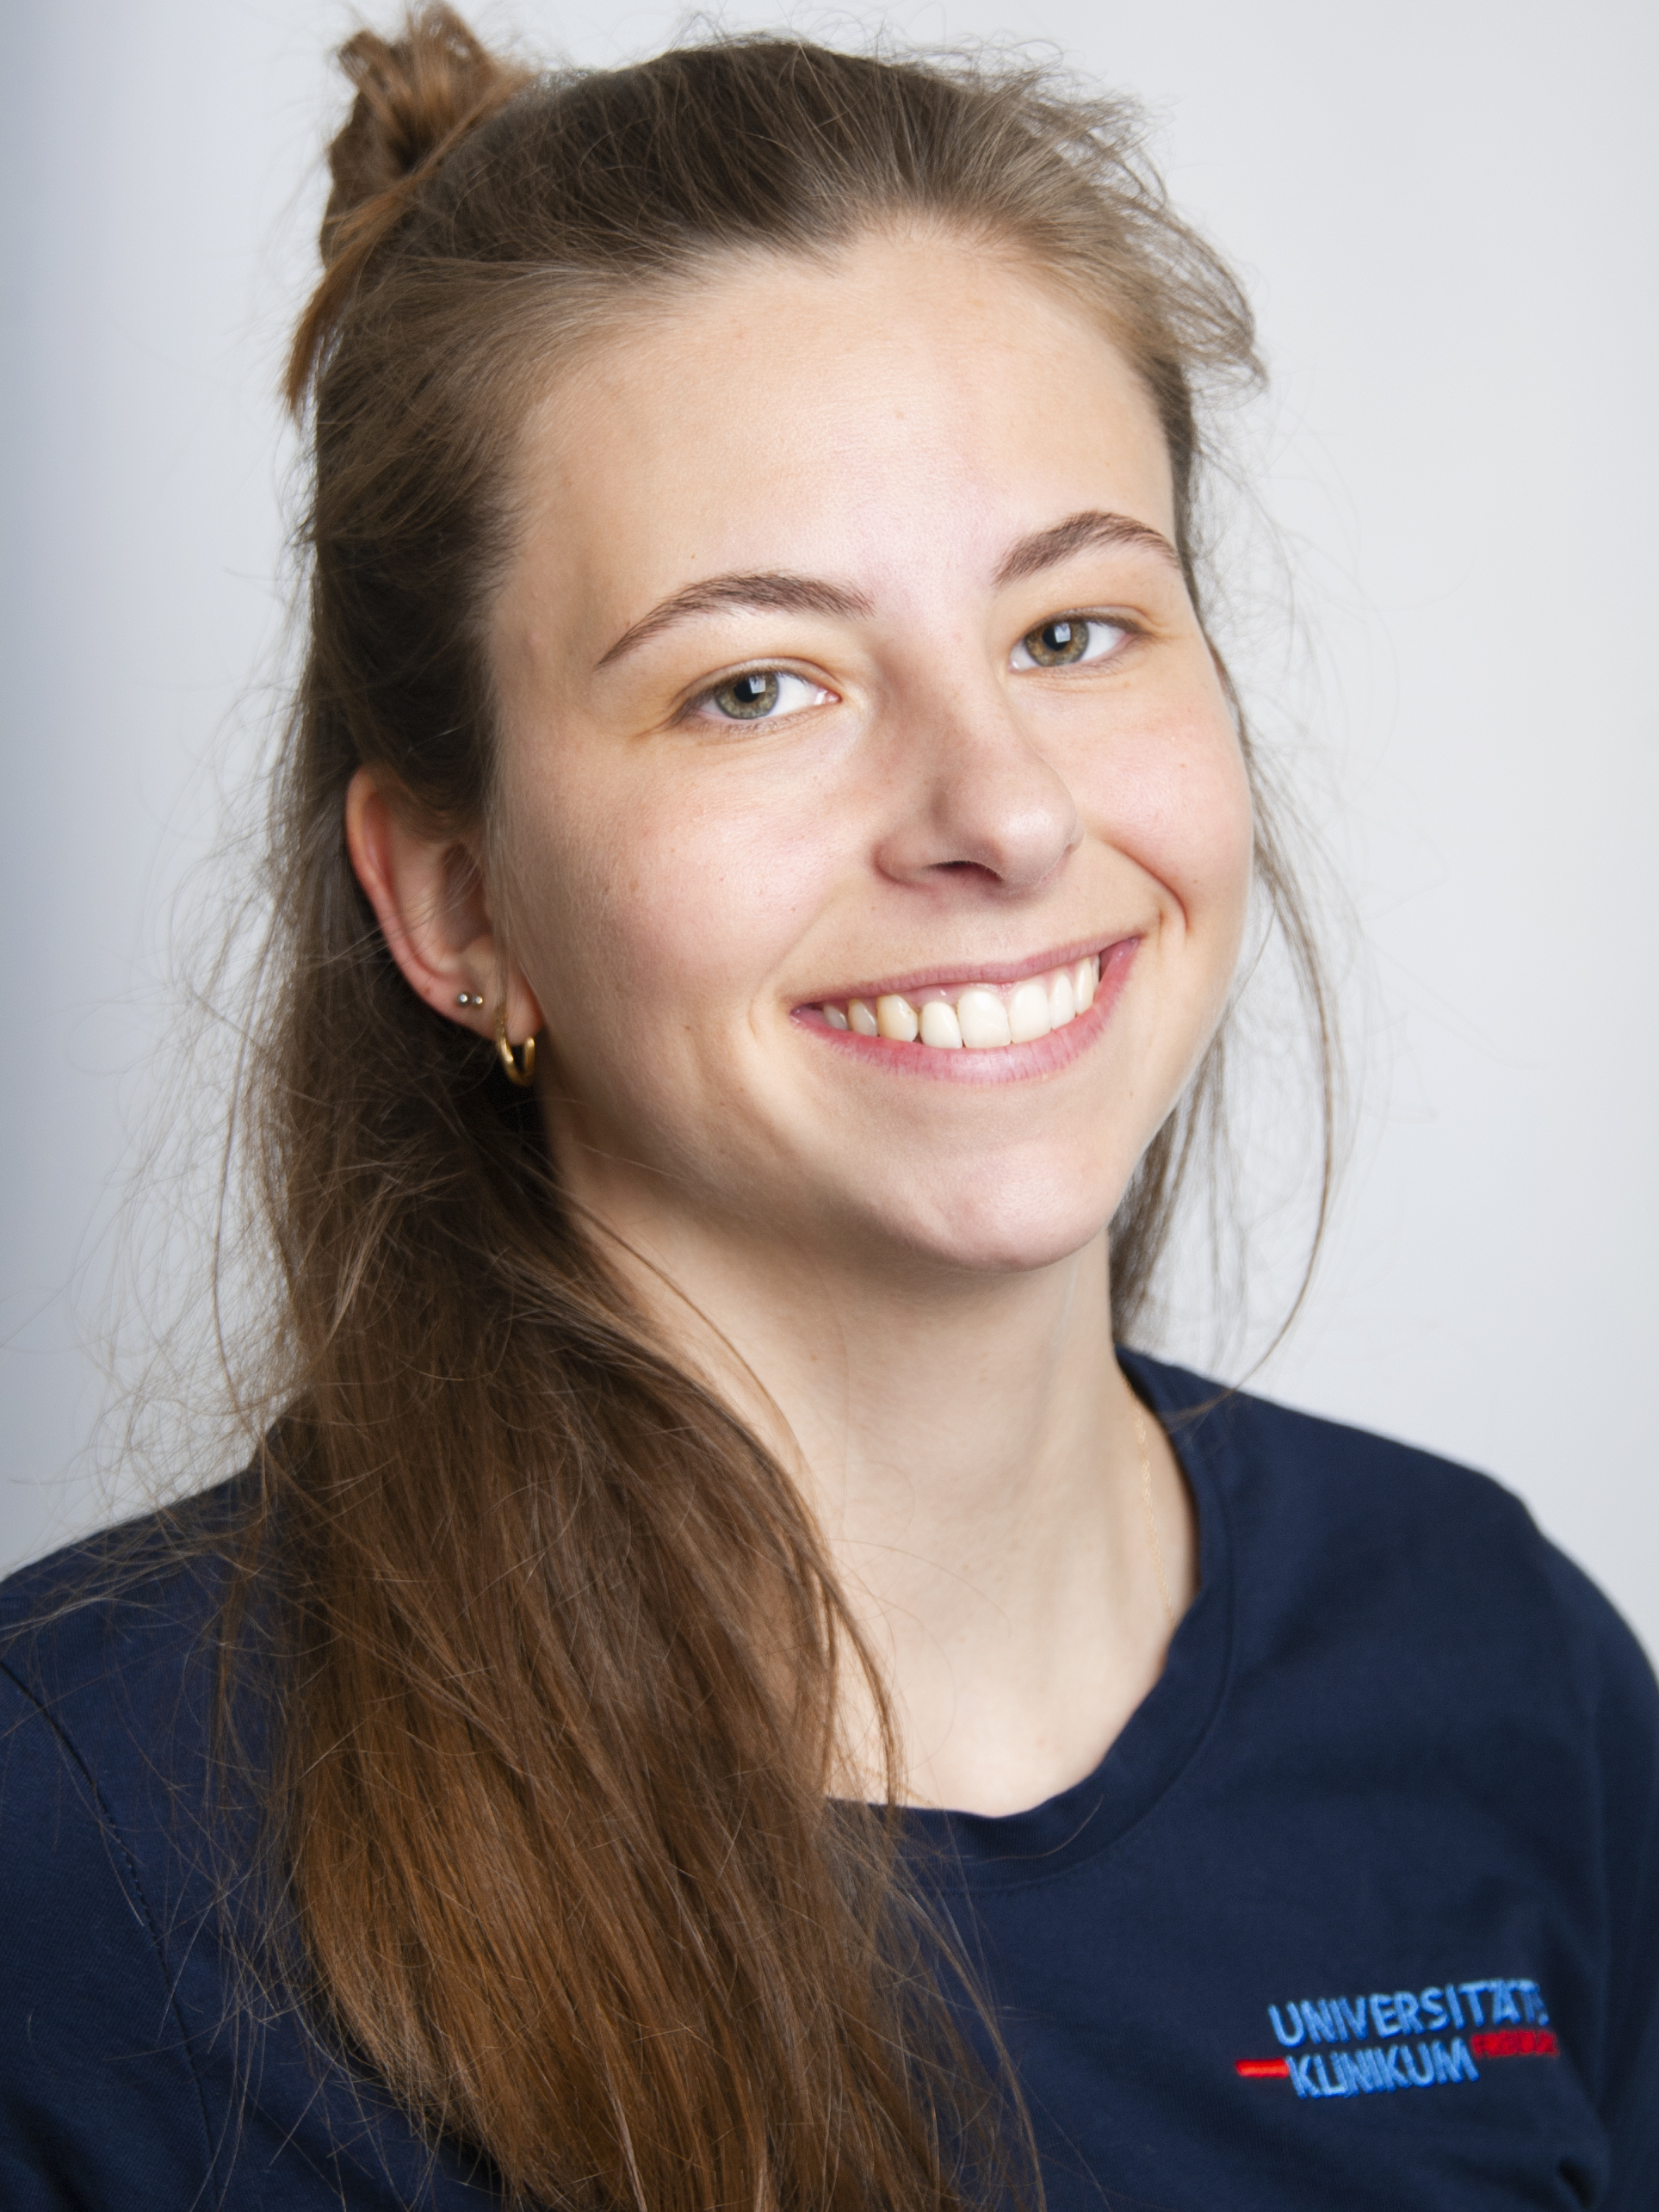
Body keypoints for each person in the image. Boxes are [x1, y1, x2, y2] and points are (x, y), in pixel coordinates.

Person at [2, 9, 1655, 2208]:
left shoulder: (1494, 1661)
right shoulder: (79, 1846)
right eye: (756, 684)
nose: (1002, 813)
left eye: (1070, 632)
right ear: (454, 900)